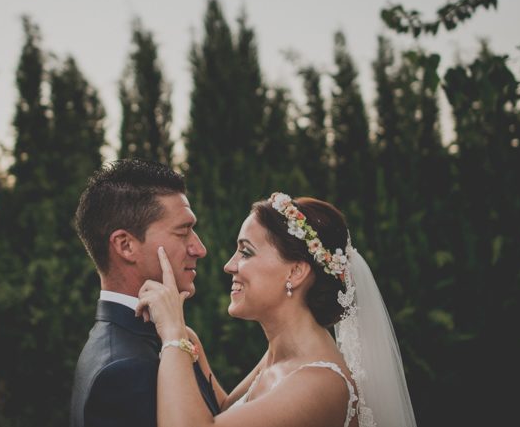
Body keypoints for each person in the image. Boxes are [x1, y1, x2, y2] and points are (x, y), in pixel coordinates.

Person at [137, 193, 417, 427]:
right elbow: (226, 411)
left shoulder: (320, 383)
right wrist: (188, 339)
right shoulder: (280, 356)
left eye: (246, 252)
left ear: (295, 272)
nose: (229, 265)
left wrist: (173, 334)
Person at [70, 159, 221, 427]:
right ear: (126, 246)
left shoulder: (163, 335)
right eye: (183, 232)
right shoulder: (123, 368)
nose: (199, 249)